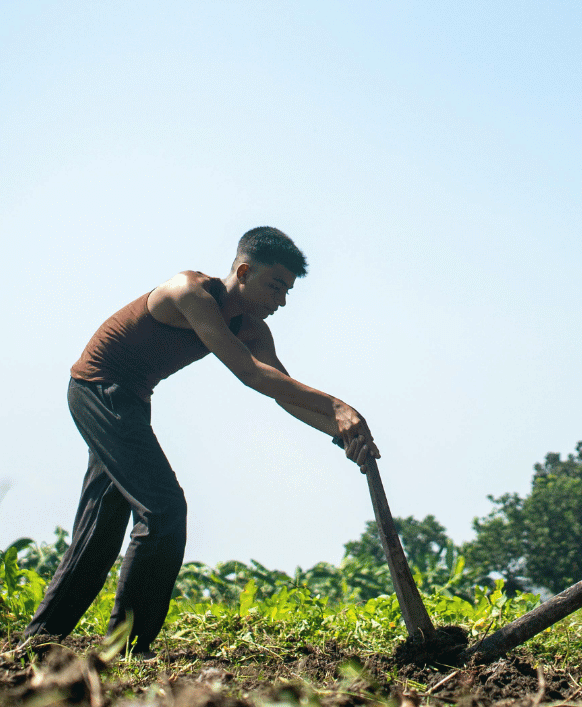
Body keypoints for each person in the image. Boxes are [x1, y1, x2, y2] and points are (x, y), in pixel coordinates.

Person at [22, 226, 378, 655]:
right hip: (99, 390)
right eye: (275, 286)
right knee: (163, 509)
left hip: (131, 402)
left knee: (101, 528)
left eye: (287, 292)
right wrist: (339, 406)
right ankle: (126, 647)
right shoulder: (189, 293)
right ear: (243, 271)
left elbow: (281, 390)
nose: (281, 301)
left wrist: (342, 434)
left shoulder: (252, 330)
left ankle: (38, 642)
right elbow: (250, 374)